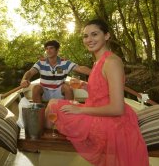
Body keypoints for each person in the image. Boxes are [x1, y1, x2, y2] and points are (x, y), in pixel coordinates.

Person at [45, 19, 148, 165]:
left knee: (53, 106)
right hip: (98, 110)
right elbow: (103, 88)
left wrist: (80, 111)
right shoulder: (98, 61)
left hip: (111, 121)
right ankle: (47, 143)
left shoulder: (111, 62)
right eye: (86, 36)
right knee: (52, 104)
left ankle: (43, 146)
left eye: (94, 34)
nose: (89, 40)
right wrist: (85, 86)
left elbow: (117, 108)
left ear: (106, 36)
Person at [20, 40, 91, 103]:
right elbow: (30, 72)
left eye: (51, 48)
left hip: (59, 91)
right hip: (44, 91)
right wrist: (24, 79)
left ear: (57, 50)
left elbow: (80, 68)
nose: (48, 50)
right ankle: (39, 113)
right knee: (36, 88)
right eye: (47, 49)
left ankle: (68, 113)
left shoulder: (65, 62)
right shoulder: (41, 62)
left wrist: (97, 72)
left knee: (67, 87)